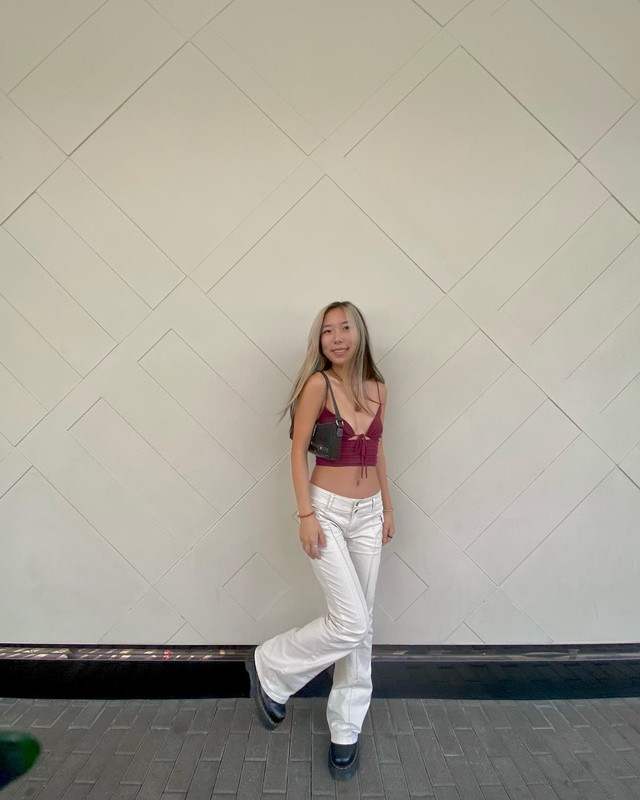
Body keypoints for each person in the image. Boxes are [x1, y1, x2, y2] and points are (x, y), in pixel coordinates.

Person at [245, 300, 395, 781]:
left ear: (359, 333)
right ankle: (271, 664)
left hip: (369, 515)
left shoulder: (378, 388)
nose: (336, 338)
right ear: (320, 340)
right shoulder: (318, 385)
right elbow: (297, 452)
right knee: (350, 621)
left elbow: (378, 451)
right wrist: (306, 515)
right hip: (326, 510)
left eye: (344, 328)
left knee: (362, 628)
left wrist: (388, 507)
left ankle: (346, 729)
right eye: (327, 331)